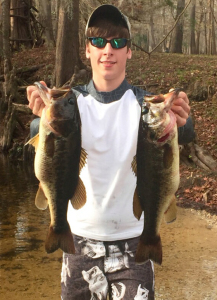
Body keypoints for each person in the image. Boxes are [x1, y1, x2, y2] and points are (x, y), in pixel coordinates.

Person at [27, 4, 193, 300]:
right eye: (98, 41)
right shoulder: (70, 104)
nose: (108, 49)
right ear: (87, 49)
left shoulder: (146, 106)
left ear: (129, 51)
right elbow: (45, 145)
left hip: (134, 242)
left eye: (118, 42)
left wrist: (183, 118)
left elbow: (183, 132)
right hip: (77, 241)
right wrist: (40, 119)